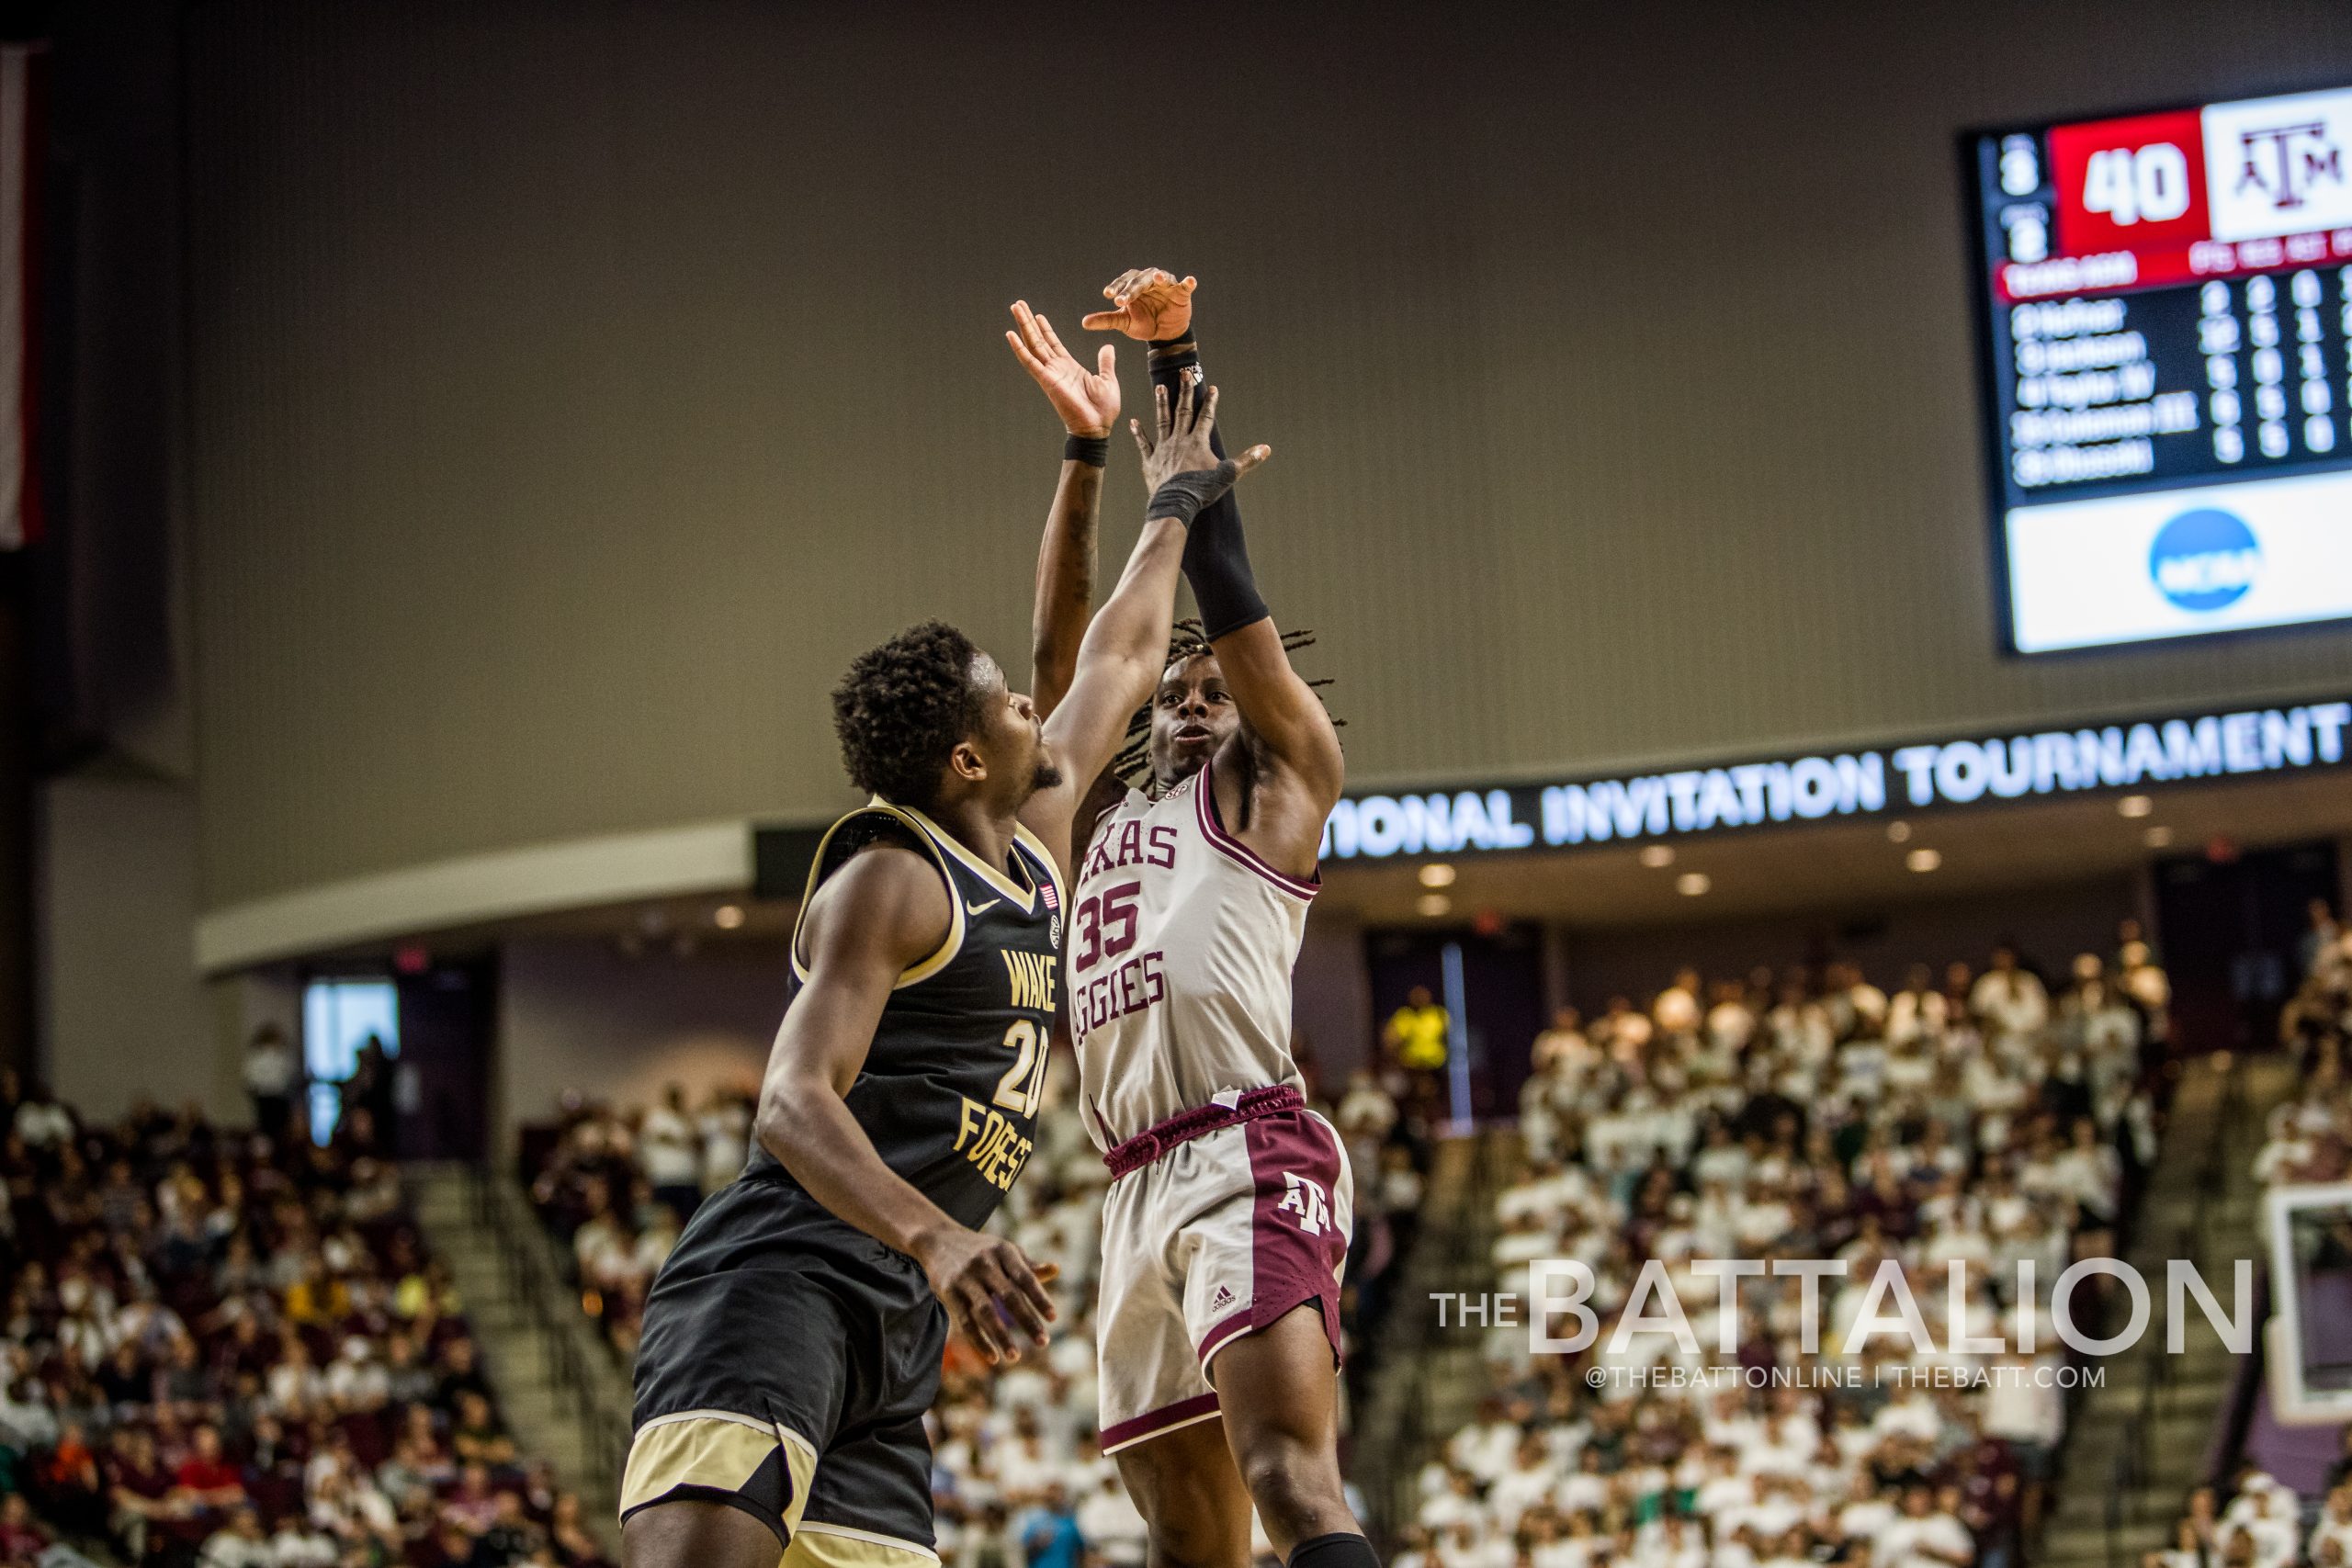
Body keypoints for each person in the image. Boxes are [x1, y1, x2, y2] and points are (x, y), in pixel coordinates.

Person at [618, 293, 1268, 1568]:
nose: (1040, 701)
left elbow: (1111, 653)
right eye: (1007, 702)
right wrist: (941, 1233)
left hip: (896, 1323)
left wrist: (1135, 484)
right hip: (780, 1282)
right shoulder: (892, 877)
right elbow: (792, 1102)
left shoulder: (1031, 834)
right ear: (968, 755)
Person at [1037, 267, 1372, 1568]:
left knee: (1291, 1484)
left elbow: (1231, 596)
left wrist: (1179, 372)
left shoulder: (1283, 784)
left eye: (1207, 686)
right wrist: (1082, 455)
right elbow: (1069, 660)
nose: (1186, 698)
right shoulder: (1105, 822)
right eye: (1168, 687)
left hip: (1244, 1152)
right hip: (1130, 1186)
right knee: (1192, 1545)